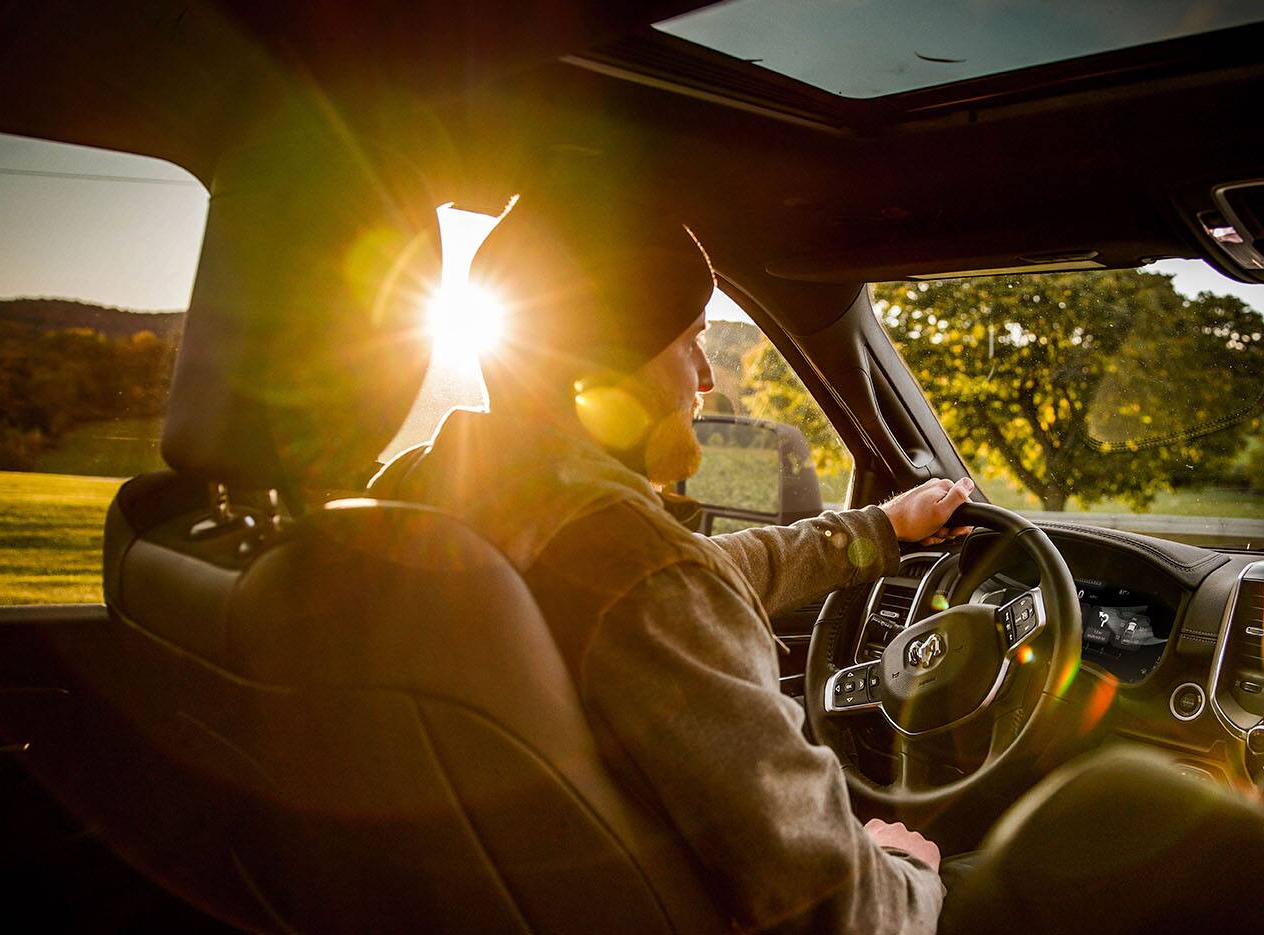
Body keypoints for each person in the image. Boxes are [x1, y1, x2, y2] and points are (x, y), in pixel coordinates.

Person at [396, 187, 972, 934]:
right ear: (610, 365)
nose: (705, 377)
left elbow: (704, 569)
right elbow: (847, 910)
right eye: (687, 342)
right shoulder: (643, 574)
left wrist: (879, 530)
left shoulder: (432, 491)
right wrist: (909, 869)